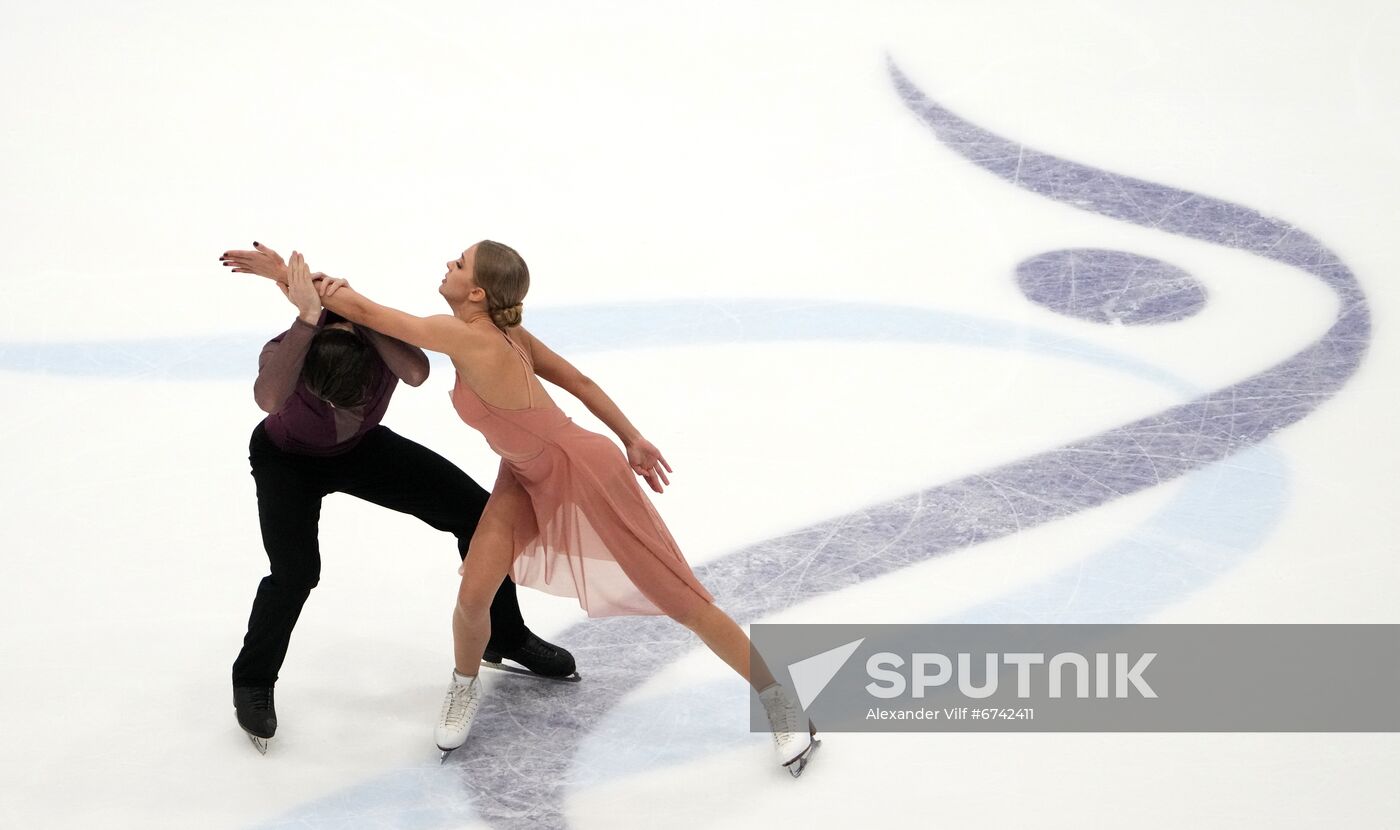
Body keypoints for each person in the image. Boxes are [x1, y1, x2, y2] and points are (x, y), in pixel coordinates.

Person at [295, 241, 818, 775]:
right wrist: (632, 436)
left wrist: (630, 441)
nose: (448, 265)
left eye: (459, 263)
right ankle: (464, 686)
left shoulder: (470, 337)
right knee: (474, 594)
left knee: (680, 597)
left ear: (476, 292)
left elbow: (367, 313)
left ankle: (784, 705)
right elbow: (581, 383)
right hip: (520, 474)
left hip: (583, 469)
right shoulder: (500, 333)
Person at [219, 242, 578, 755]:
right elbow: (270, 399)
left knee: (477, 517)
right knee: (294, 573)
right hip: (286, 460)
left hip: (361, 450)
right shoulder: (290, 350)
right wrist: (305, 318)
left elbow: (415, 372)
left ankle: (504, 635)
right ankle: (253, 680)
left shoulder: (379, 341)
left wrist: (348, 313)